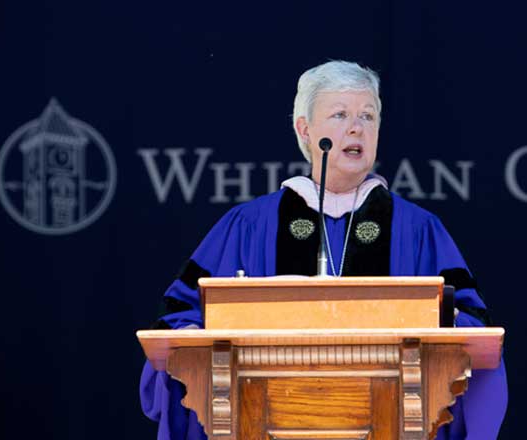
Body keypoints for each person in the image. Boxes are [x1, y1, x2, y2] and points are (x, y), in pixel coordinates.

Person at [139, 60, 507, 440]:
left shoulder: (417, 229)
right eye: (340, 114)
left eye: (368, 115)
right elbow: (179, 316)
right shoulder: (250, 225)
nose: (356, 127)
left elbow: (472, 327)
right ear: (305, 129)